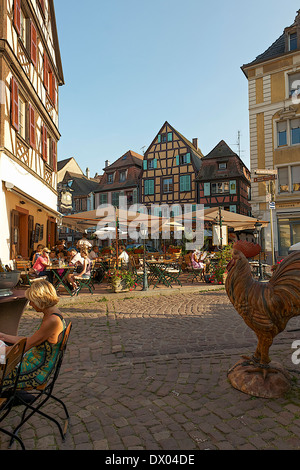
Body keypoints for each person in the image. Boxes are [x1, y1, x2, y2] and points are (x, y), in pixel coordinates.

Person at [0, 280, 66, 391]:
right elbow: (32, 340)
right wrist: (4, 337)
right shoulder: (53, 314)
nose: (30, 305)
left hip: (36, 371)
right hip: (34, 361)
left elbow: (24, 347)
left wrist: (2, 351)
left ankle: (7, 399)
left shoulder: (52, 320)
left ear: (40, 300)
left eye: (32, 301)